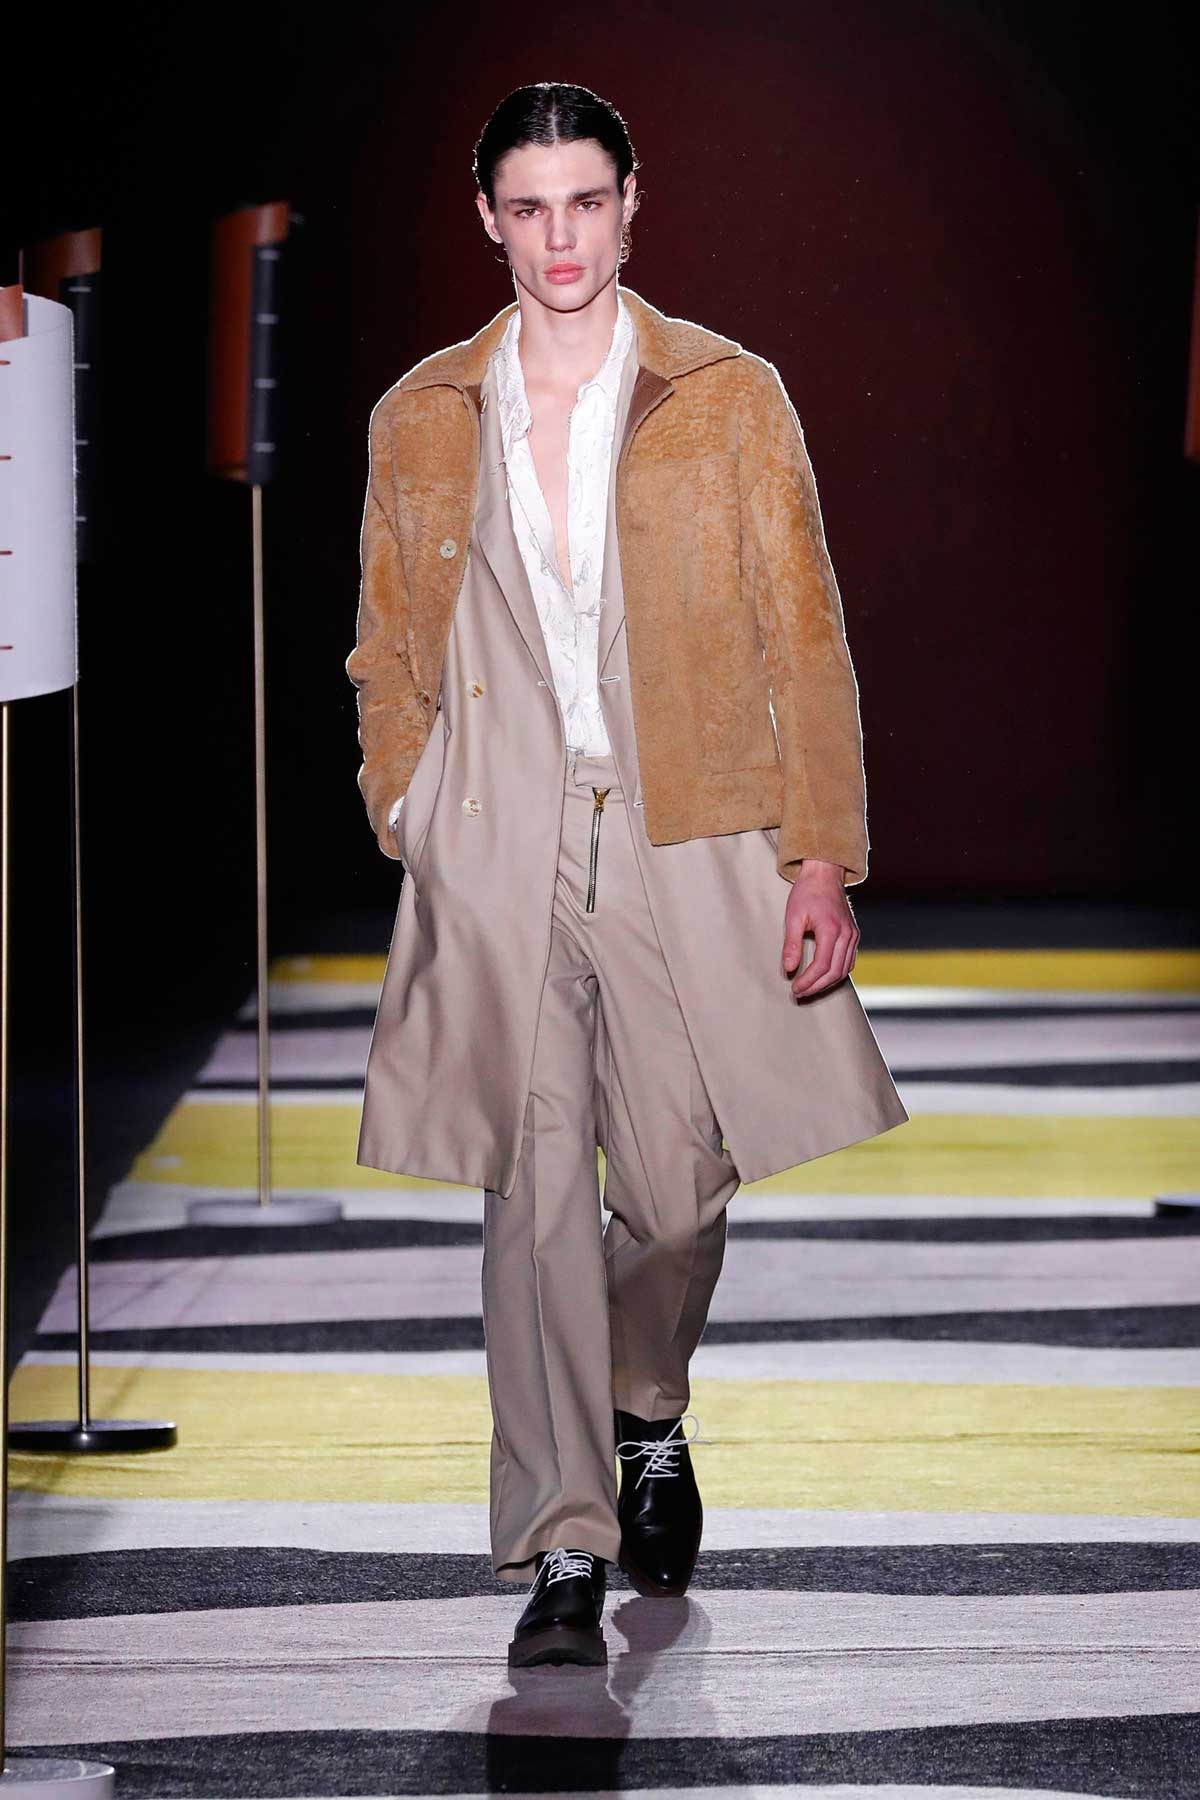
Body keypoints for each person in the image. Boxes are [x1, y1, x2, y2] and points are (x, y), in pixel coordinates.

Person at [347, 81, 908, 1668]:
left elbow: (806, 634)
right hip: (501, 840)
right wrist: (413, 809)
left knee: (675, 1191)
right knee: (532, 1197)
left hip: (686, 829)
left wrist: (820, 852)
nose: (560, 239)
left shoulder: (725, 394)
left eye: (584, 203)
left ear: (630, 202)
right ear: (488, 219)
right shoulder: (423, 414)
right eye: (529, 208)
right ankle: (563, 1545)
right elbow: (387, 650)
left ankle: (645, 1401)